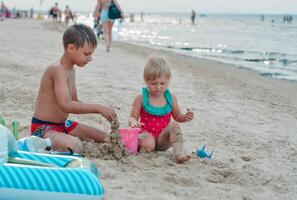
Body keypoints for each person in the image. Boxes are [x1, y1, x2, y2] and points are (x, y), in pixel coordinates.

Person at [31, 24, 117, 153]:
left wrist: (102, 109)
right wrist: (98, 108)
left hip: (63, 125)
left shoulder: (71, 71)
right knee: (75, 146)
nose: (90, 58)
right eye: (86, 54)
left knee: (106, 137)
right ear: (71, 48)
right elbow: (65, 105)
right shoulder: (57, 69)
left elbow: (74, 102)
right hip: (43, 128)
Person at [128, 56, 194, 163]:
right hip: (146, 135)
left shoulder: (171, 98)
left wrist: (185, 117)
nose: (158, 87)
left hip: (162, 139)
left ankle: (179, 153)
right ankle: (145, 151)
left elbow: (177, 116)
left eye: (162, 83)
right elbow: (132, 117)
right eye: (153, 83)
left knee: (174, 126)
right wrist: (133, 122)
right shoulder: (141, 98)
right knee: (149, 143)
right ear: (146, 81)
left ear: (168, 80)